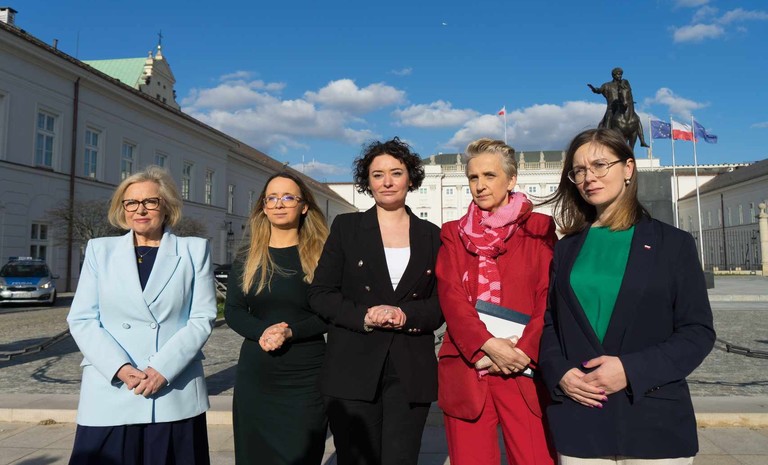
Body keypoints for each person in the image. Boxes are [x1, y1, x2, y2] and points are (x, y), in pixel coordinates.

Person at [539, 128, 716, 464]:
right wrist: (559, 371)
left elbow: (697, 332)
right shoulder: (566, 249)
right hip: (581, 419)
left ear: (628, 168)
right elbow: (551, 325)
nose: (589, 177)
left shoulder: (673, 244)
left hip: (652, 419)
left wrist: (631, 370)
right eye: (579, 170)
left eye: (600, 165)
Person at [67, 165, 217, 465]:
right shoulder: (100, 251)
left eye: (150, 201)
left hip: (172, 390)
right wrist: (120, 368)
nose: (140, 210)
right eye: (131, 203)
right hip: (112, 387)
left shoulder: (194, 250)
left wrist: (162, 369)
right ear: (122, 208)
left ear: (167, 206)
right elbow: (82, 319)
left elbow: (202, 318)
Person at [308, 137, 443, 465]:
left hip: (410, 368)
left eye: (396, 173)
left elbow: (442, 301)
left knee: (401, 459)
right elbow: (321, 293)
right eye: (377, 174)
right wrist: (364, 316)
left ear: (410, 178)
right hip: (352, 364)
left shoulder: (433, 234)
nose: (387, 182)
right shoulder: (347, 227)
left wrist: (406, 314)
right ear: (367, 182)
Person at [435, 138, 557, 465]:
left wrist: (523, 352)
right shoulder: (453, 233)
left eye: (490, 175)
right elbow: (451, 297)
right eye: (473, 177)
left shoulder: (539, 229)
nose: (480, 185)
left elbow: (547, 296)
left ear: (511, 179)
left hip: (523, 367)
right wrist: (487, 344)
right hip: (468, 366)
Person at [225, 171, 329, 464]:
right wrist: (263, 331)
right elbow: (233, 310)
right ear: (264, 207)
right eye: (271, 198)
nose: (279, 204)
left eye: (288, 197)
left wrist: (290, 332)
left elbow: (331, 313)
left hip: (306, 375)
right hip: (257, 375)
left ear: (304, 206)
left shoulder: (323, 255)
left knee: (301, 455)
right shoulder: (248, 257)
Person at [588, 67, 649, 148]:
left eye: (620, 74)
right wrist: (594, 89)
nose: (619, 76)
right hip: (612, 108)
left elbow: (628, 92)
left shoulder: (624, 83)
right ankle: (607, 136)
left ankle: (642, 140)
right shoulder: (607, 85)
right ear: (613, 75)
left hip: (624, 107)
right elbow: (599, 90)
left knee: (637, 118)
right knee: (609, 118)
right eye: (618, 74)